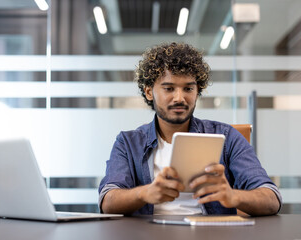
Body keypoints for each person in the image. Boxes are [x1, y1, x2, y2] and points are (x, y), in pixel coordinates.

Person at [98, 42, 282, 216]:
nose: (179, 98)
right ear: (149, 92)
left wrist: (233, 196)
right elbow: (107, 201)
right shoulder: (128, 143)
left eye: (188, 89)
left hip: (210, 234)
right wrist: (145, 193)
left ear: (197, 91)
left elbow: (271, 199)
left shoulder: (226, 137)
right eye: (169, 88)